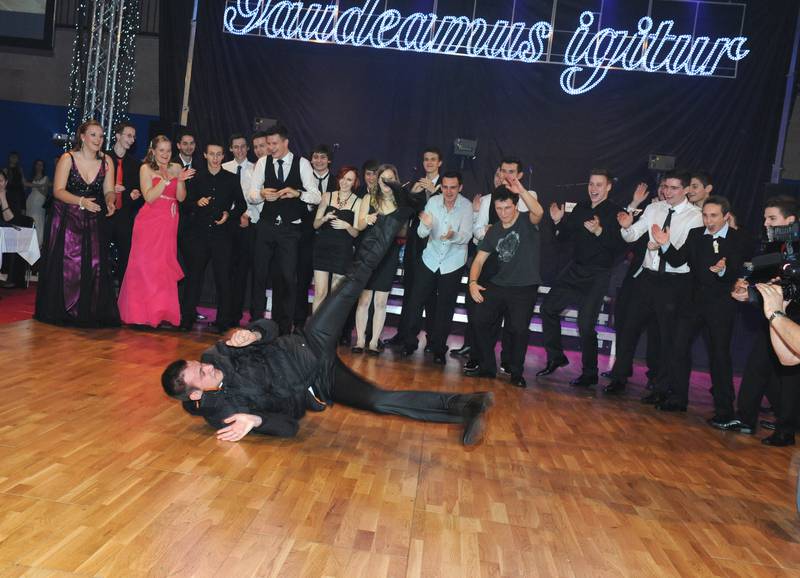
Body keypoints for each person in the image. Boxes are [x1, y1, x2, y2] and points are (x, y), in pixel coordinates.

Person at [161, 200, 494, 446]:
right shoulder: (225, 412)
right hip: (319, 381)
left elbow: (272, 329)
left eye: (199, 364)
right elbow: (289, 427)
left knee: (350, 283)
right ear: (195, 395)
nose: (207, 366)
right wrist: (256, 419)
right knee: (379, 401)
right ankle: (467, 406)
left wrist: (254, 332)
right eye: (201, 374)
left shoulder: (219, 354)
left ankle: (399, 213)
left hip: (308, 341)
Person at [603, 171, 703, 398]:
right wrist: (627, 226)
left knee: (666, 336)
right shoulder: (654, 208)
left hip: (673, 281)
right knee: (629, 327)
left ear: (686, 190)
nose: (668, 192)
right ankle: (619, 377)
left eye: (674, 188)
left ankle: (661, 386)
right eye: (665, 187)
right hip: (648, 277)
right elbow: (632, 235)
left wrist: (662, 245)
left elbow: (682, 254)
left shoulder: (695, 216)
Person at [651, 196, 746, 423]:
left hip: (721, 305)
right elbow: (677, 260)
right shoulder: (696, 235)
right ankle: (677, 398)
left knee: (719, 355)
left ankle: (724, 409)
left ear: (726, 216)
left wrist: (723, 270)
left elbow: (738, 270)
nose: (708, 221)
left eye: (713, 216)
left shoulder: (738, 238)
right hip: (693, 303)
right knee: (678, 347)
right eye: (705, 215)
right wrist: (665, 244)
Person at [537, 169, 625, 385]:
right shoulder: (581, 207)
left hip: (598, 274)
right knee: (548, 308)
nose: (593, 189)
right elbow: (564, 237)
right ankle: (556, 357)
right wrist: (558, 221)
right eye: (591, 184)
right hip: (575, 270)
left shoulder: (616, 213)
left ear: (608, 187)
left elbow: (619, 247)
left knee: (585, 325)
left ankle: (590, 372)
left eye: (599, 185)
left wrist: (599, 231)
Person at [34, 119, 120, 327]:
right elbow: (58, 191)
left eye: (101, 136)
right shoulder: (68, 158)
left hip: (94, 218)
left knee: (95, 264)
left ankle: (88, 310)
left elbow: (109, 190)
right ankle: (65, 310)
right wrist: (81, 201)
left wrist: (110, 201)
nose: (98, 139)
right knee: (70, 265)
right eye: (93, 135)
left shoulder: (107, 161)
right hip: (68, 218)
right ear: (82, 137)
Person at [733, 196, 800, 446]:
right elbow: (762, 283)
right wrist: (746, 291)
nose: (766, 223)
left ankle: (785, 429)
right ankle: (746, 419)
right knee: (759, 366)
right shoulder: (774, 248)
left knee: (790, 376)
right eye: (764, 218)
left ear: (790, 221)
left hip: (792, 320)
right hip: (775, 317)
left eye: (772, 218)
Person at [466, 180, 544, 387]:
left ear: (515, 205)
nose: (503, 213)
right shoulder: (494, 230)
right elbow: (479, 260)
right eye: (499, 208)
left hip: (524, 287)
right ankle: (487, 367)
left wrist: (522, 190)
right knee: (479, 320)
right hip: (499, 285)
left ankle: (516, 373)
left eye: (507, 208)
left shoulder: (527, 221)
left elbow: (539, 211)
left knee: (518, 329)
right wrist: (472, 282)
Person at [247, 124, 321, 334]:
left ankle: (283, 327)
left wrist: (298, 193)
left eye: (274, 143)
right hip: (266, 226)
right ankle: (256, 324)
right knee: (259, 275)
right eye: (268, 144)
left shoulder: (302, 163)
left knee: (287, 278)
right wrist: (261, 194)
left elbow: (316, 196)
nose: (270, 148)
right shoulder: (263, 163)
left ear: (285, 142)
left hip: (290, 230)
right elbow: (251, 194)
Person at [396, 171, 472, 364]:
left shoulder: (466, 206)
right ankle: (409, 343)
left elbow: (467, 236)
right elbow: (421, 233)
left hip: (453, 262)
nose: (448, 191)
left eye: (453, 187)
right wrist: (427, 226)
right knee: (415, 301)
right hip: (430, 258)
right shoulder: (433, 202)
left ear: (460, 187)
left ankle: (438, 348)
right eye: (445, 187)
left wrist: (454, 235)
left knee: (445, 307)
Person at [118, 136, 193, 327]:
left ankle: (160, 313)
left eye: (168, 150)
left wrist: (180, 180)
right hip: (149, 222)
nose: (165, 154)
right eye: (161, 150)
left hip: (169, 222)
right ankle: (139, 314)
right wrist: (165, 180)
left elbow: (181, 198)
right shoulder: (146, 168)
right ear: (153, 151)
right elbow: (149, 197)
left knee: (163, 269)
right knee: (145, 267)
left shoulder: (176, 167)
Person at [179, 142, 246, 332]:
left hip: (222, 236)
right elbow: (184, 203)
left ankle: (223, 321)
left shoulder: (231, 179)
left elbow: (241, 205)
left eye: (218, 154)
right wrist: (196, 202)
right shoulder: (196, 177)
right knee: (194, 277)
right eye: (212, 154)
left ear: (223, 156)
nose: (215, 158)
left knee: (223, 278)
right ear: (205, 155)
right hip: (199, 235)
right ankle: (187, 319)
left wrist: (228, 215)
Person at [389, 147, 443, 348]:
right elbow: (407, 212)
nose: (429, 162)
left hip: (435, 245)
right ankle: (403, 334)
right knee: (410, 290)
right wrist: (410, 194)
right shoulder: (415, 184)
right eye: (426, 159)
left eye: (433, 159)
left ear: (439, 163)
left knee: (431, 295)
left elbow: (445, 215)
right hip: (414, 244)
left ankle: (432, 340)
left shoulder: (445, 186)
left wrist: (433, 192)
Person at [353, 164, 403, 355]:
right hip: (368, 252)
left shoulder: (400, 203)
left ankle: (374, 342)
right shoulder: (369, 198)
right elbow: (358, 225)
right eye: (383, 178)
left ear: (395, 181)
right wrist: (367, 219)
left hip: (388, 255)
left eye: (390, 178)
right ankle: (360, 340)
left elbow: (404, 231)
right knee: (364, 300)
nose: (386, 182)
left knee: (381, 302)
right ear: (378, 179)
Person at [311, 165, 360, 312]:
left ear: (354, 182)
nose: (344, 182)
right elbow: (315, 224)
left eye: (349, 179)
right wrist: (324, 218)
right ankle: (315, 325)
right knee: (320, 293)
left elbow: (356, 233)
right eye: (342, 178)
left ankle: (329, 326)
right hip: (323, 248)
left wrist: (347, 226)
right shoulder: (327, 196)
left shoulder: (358, 201)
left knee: (335, 295)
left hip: (342, 250)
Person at [222, 133, 257, 326]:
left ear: (248, 148)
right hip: (227, 223)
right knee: (225, 270)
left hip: (247, 224)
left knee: (242, 272)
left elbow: (256, 197)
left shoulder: (255, 169)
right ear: (230, 149)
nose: (240, 150)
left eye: (243, 146)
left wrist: (247, 215)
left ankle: (236, 315)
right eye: (236, 147)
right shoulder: (224, 168)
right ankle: (224, 314)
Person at [106, 122, 142, 284]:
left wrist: (134, 193)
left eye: (134, 137)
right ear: (118, 136)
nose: (132, 139)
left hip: (124, 216)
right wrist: (109, 189)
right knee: (100, 255)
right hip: (105, 214)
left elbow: (138, 191)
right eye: (129, 135)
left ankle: (122, 293)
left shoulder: (135, 164)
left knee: (125, 257)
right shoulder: (104, 158)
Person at [25, 159, 50, 247]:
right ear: (35, 166)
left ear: (43, 167)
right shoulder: (32, 177)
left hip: (40, 201)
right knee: (30, 220)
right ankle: (29, 243)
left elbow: (45, 193)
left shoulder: (46, 178)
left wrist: (36, 187)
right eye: (37, 164)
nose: (39, 166)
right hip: (31, 200)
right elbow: (25, 185)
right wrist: (37, 185)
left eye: (41, 165)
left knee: (38, 220)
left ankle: (38, 243)